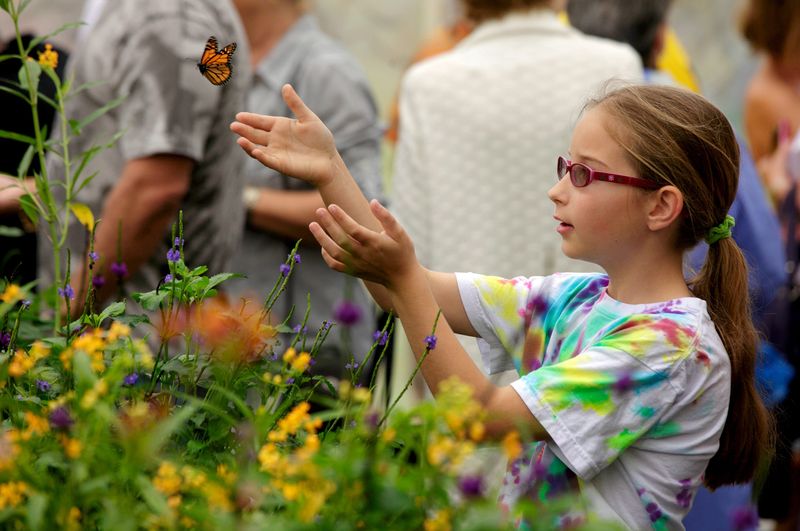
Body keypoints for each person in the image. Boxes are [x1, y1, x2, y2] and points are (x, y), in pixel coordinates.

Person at [232, 83, 772, 528]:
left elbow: (484, 418)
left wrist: (402, 279)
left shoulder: (672, 347)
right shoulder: (575, 297)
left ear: (661, 206)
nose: (557, 191)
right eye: (566, 167)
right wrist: (331, 171)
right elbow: (404, 285)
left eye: (583, 174)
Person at [36, 0, 250, 311]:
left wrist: (71, 315)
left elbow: (155, 189)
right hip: (117, 324)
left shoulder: (169, 14)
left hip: (135, 330)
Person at [227, 0, 382, 380]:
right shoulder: (218, 63)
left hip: (308, 357)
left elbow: (362, 217)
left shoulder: (326, 71)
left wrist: (235, 200)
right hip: (228, 347)